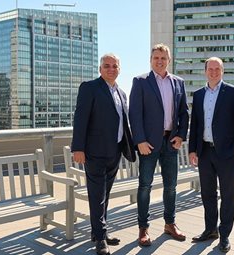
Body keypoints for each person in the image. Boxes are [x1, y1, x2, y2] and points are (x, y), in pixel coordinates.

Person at [71, 53, 136, 255]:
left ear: (119, 69)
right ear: (100, 69)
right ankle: (100, 239)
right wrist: (77, 148)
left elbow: (123, 124)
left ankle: (98, 232)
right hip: (94, 152)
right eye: (106, 66)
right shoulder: (89, 88)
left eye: (114, 66)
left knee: (105, 195)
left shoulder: (122, 93)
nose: (110, 69)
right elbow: (80, 119)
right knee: (97, 196)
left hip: (114, 152)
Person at [129, 43, 189, 246]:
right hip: (149, 144)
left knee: (171, 187)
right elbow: (134, 114)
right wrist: (140, 140)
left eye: (163, 58)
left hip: (171, 143)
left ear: (169, 60)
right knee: (145, 186)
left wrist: (181, 136)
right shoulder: (140, 81)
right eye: (156, 58)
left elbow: (183, 113)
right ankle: (143, 228)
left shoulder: (178, 82)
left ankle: (170, 224)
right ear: (151, 60)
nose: (160, 61)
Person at [189, 57, 234, 253]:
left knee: (228, 194)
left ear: (222, 71)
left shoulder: (233, 92)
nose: (213, 72)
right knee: (207, 193)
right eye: (210, 69)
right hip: (205, 151)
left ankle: (225, 235)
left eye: (217, 69)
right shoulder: (198, 95)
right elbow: (195, 124)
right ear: (205, 71)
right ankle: (210, 229)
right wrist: (192, 150)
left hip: (226, 153)